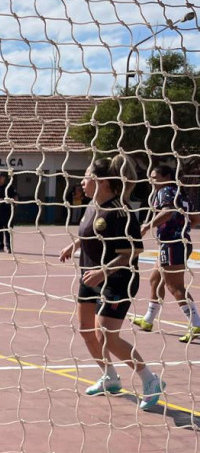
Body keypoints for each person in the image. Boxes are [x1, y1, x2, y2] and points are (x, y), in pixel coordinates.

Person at [58, 157, 164, 410]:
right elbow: (89, 235)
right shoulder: (92, 205)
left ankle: (150, 379)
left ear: (102, 181)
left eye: (86, 176)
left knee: (106, 335)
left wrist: (103, 272)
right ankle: (110, 377)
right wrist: (72, 246)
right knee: (86, 330)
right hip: (89, 277)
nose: (82, 182)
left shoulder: (121, 211)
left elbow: (132, 251)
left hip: (117, 280)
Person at [131, 165, 200, 343]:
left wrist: (147, 226)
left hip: (172, 245)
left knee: (175, 287)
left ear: (167, 176)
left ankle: (196, 323)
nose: (151, 180)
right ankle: (148, 320)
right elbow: (196, 218)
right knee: (155, 279)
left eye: (155, 177)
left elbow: (167, 212)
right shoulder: (181, 194)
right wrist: (182, 230)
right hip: (175, 243)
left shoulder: (165, 191)